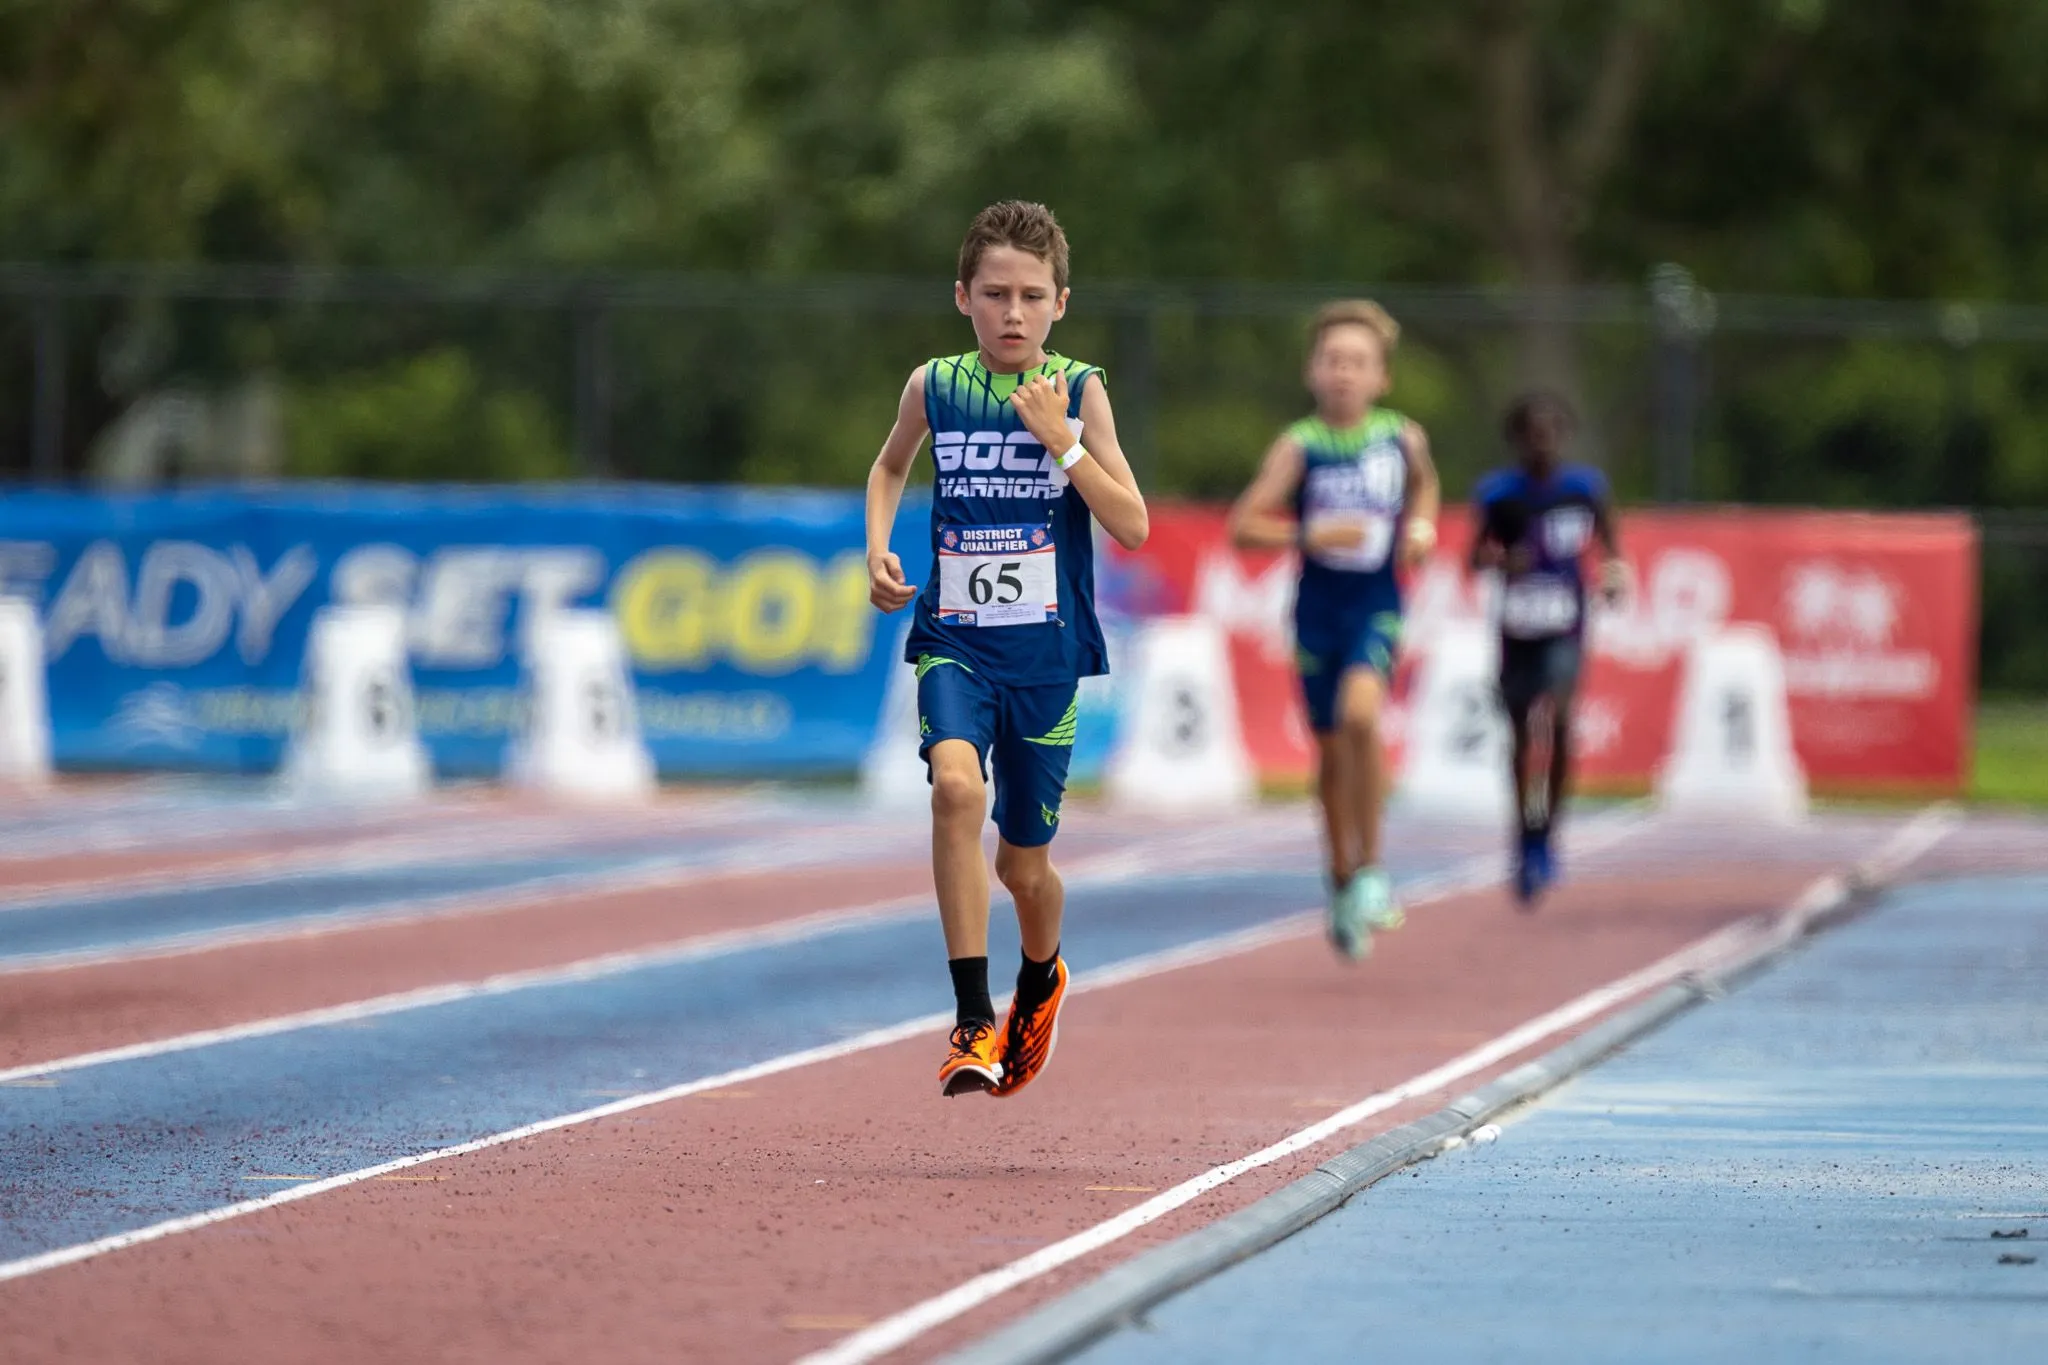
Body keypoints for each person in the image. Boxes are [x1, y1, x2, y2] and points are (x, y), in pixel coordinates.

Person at [864, 201, 1150, 1097]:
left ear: (1061, 303)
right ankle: (970, 1019)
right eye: (995, 294)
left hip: (1046, 657)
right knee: (955, 787)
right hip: (954, 638)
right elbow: (888, 465)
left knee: (1023, 867)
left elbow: (1132, 523)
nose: (1013, 312)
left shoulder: (1079, 388)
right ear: (963, 297)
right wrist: (877, 545)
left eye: (1031, 295)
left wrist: (1063, 443)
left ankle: (1041, 974)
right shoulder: (934, 384)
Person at [1228, 301, 1440, 960]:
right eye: (1333, 361)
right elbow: (1243, 525)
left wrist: (1422, 528)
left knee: (1361, 716)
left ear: (1381, 377)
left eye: (1358, 363)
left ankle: (1373, 870)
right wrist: (1308, 531)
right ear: (1312, 372)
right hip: (1315, 609)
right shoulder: (1301, 446)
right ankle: (1341, 876)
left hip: (1375, 601)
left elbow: (1427, 488)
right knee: (1327, 753)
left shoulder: (1402, 437)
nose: (1344, 374)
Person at [1470, 392, 1626, 907]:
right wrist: (1500, 561)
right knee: (1518, 732)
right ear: (1516, 439)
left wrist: (1611, 579)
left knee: (1558, 720)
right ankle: (1523, 830)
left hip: (1564, 623)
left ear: (1565, 435)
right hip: (1517, 625)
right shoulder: (1498, 493)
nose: (1543, 442)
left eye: (1552, 432)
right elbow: (1475, 556)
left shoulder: (1584, 489)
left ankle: (1548, 835)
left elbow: (1610, 550)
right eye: (1532, 433)